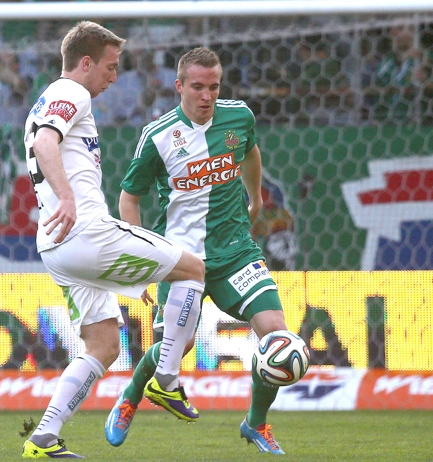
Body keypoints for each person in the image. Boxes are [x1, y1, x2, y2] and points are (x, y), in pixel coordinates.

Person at [21, 21, 205, 459]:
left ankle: (44, 437)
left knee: (102, 344)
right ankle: (166, 381)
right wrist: (67, 197)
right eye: (110, 66)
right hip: (85, 231)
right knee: (194, 268)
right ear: (85, 63)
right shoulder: (72, 92)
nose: (114, 76)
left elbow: (46, 140)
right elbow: (47, 143)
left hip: (58, 246)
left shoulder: (46, 100)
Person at [105, 47, 290, 455]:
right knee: (178, 346)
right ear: (179, 87)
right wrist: (145, 260)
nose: (206, 96)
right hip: (180, 260)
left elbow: (251, 151)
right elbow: (128, 199)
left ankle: (256, 423)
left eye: (214, 87)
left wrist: (255, 196)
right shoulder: (157, 136)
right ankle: (130, 398)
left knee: (278, 337)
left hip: (236, 252)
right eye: (197, 87)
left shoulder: (238, 117)